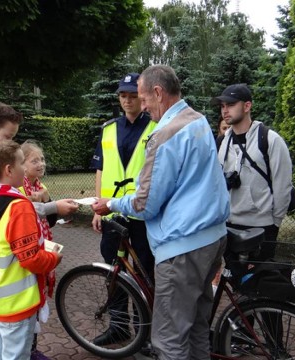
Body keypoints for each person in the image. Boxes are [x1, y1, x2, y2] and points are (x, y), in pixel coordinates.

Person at [92, 65, 230, 360]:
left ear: (158, 92)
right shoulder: (198, 120)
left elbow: (145, 204)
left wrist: (112, 204)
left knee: (169, 339)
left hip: (183, 246)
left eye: (143, 99)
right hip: (213, 238)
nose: (142, 107)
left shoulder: (164, 134)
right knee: (195, 326)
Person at [0, 101, 77, 360]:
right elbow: (13, 209)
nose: (13, 147)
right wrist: (52, 208)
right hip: (0, 269)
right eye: (8, 137)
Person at [0, 139, 62, 360]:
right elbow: (31, 259)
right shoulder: (19, 207)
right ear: (9, 170)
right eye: (22, 163)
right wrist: (54, 258)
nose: (24, 168)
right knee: (16, 356)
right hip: (16, 303)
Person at [90, 72, 156, 347]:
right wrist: (97, 208)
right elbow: (100, 170)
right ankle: (119, 327)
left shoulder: (155, 127)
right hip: (113, 213)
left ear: (142, 98)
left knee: (145, 272)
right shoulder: (108, 129)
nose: (127, 101)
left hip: (142, 214)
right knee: (113, 271)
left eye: (133, 95)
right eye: (123, 96)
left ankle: (151, 331)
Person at [212, 84, 293, 259]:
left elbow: (282, 186)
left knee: (258, 282)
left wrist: (274, 224)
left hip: (261, 227)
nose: (225, 110)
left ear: (247, 106)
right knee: (233, 280)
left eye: (231, 105)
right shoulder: (221, 143)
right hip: (228, 225)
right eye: (222, 106)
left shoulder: (270, 140)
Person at [18, 140, 57, 360]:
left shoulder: (40, 186)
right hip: (29, 251)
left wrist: (46, 199)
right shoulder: (20, 188)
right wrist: (41, 203)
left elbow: (50, 222)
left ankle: (32, 348)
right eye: (34, 160)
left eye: (41, 159)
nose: (40, 164)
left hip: (42, 246)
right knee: (31, 298)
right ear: (21, 164)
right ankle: (28, 350)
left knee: (39, 295)